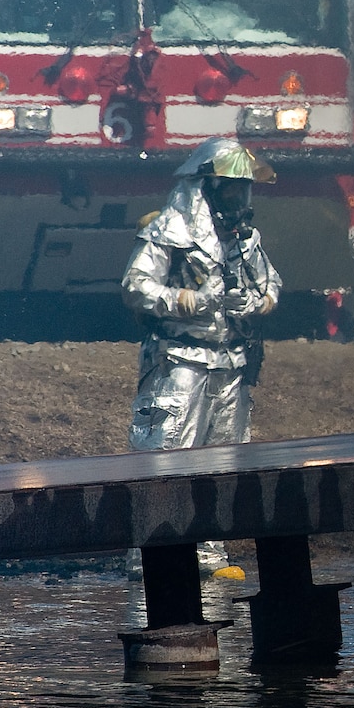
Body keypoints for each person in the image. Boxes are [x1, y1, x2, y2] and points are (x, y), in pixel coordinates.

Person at [122, 136, 282, 571]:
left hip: (231, 363)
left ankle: (210, 553)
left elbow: (271, 283)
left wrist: (259, 301)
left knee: (224, 459)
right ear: (206, 187)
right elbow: (136, 287)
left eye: (243, 189)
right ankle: (151, 554)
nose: (239, 198)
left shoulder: (245, 239)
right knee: (166, 453)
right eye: (231, 188)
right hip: (181, 360)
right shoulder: (169, 232)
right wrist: (183, 300)